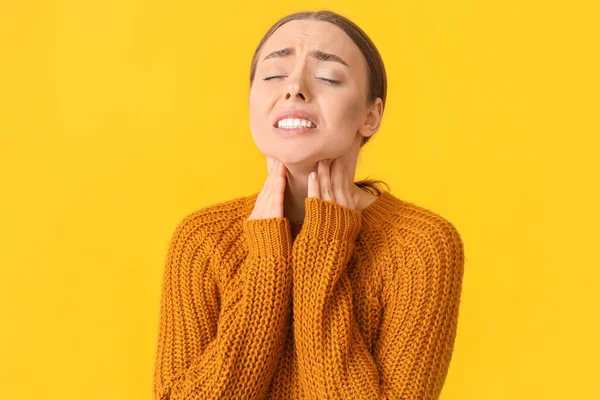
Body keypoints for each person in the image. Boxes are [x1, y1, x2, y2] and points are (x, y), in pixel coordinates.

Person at [152, 10, 465, 400]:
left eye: (328, 77)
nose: (294, 88)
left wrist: (323, 249)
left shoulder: (421, 246)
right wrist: (269, 261)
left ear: (371, 115)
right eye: (272, 76)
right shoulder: (202, 238)